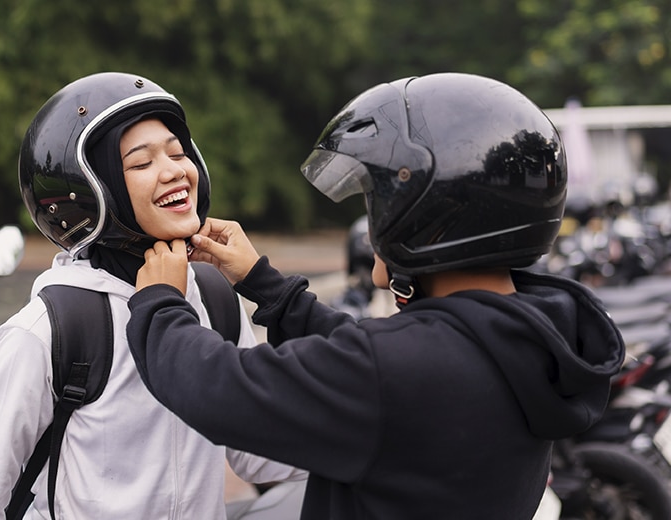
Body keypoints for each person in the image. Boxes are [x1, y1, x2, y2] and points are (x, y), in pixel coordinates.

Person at [126, 72, 626, 519]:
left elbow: (219, 390)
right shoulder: (535, 337)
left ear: (428, 216)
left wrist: (161, 305)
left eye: (378, 201)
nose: (370, 227)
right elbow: (377, 357)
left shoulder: (399, 372)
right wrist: (263, 282)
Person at [0, 72, 305, 519]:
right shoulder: (51, 329)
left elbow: (256, 454)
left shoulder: (214, 297)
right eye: (141, 164)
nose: (175, 170)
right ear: (91, 192)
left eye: (178, 153)